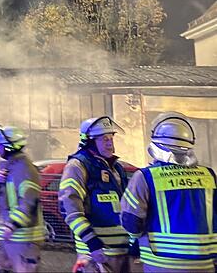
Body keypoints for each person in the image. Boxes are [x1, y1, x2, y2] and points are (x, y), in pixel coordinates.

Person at [120, 112, 217, 272]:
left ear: (157, 147)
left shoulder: (145, 176)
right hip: (205, 262)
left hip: (161, 263)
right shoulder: (209, 175)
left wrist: (135, 241)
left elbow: (131, 221)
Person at [59, 116, 130, 273]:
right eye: (104, 139)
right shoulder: (77, 166)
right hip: (96, 254)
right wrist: (92, 242)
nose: (110, 143)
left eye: (111, 138)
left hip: (121, 252)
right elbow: (69, 209)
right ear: (90, 141)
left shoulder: (117, 168)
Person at [0, 125, 45, 273]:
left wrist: (12, 225)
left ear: (8, 146)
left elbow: (29, 202)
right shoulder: (8, 166)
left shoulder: (24, 169)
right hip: (6, 234)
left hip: (24, 237)